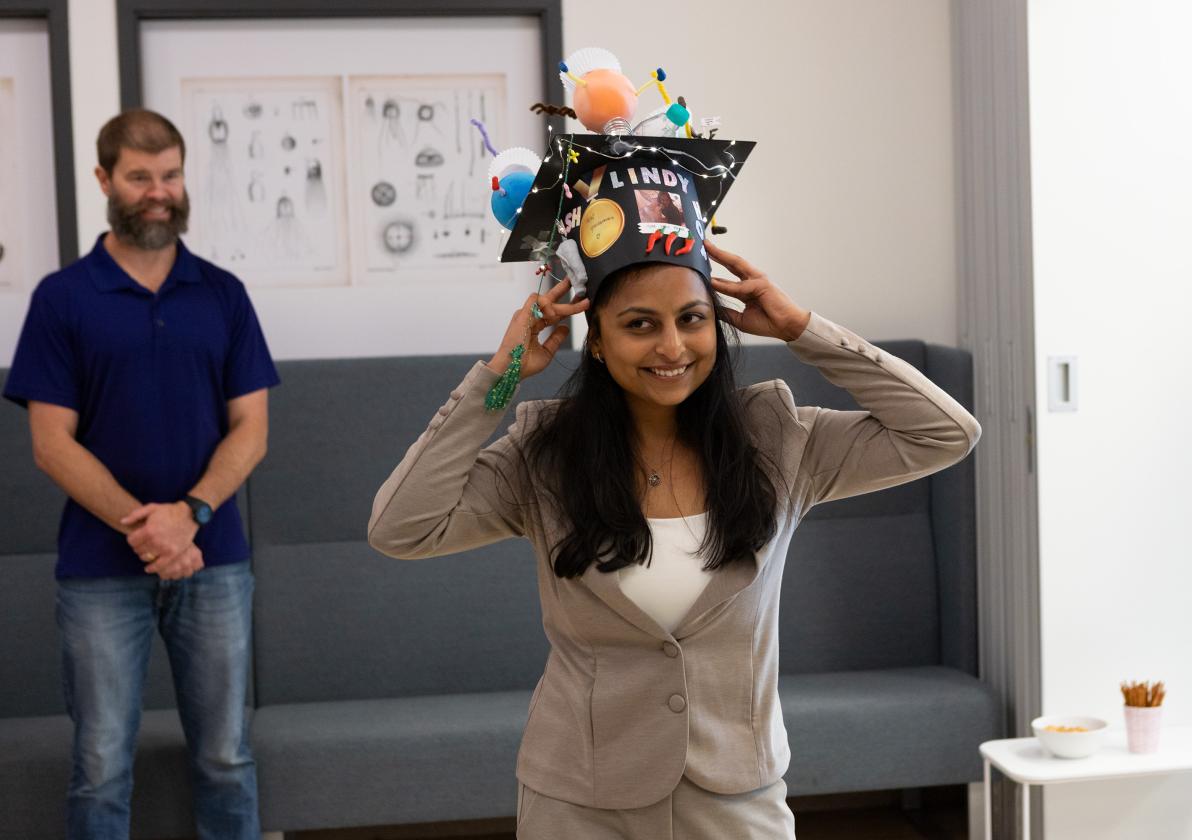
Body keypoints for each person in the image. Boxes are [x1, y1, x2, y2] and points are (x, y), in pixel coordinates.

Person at [367, 126, 981, 838]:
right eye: (639, 324)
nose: (671, 347)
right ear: (596, 340)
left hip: (735, 799)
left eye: (693, 320)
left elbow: (946, 433)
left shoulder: (778, 437)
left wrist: (802, 327)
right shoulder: (543, 454)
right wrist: (497, 378)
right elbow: (400, 528)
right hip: (580, 802)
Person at [2, 109, 278, 840]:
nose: (158, 191)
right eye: (139, 177)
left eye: (170, 175)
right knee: (99, 766)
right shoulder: (61, 300)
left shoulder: (223, 294)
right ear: (104, 180)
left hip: (214, 562)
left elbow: (251, 430)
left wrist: (189, 515)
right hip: (98, 573)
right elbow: (50, 444)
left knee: (226, 757)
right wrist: (151, 529)